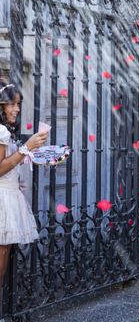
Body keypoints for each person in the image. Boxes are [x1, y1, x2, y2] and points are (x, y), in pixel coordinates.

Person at [0, 82, 48, 312]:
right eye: (12, 104)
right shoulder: (0, 131)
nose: (17, 109)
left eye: (18, 104)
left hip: (9, 196)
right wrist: (25, 148)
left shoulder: (6, 130)